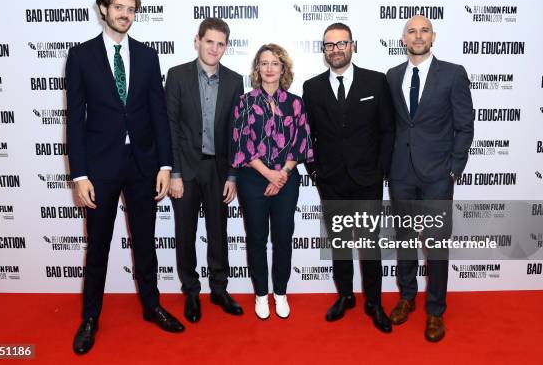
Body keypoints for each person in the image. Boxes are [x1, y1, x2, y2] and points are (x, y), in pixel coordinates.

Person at [66, 0, 184, 355]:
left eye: (131, 9)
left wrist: (165, 164)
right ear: (103, 9)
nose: (125, 14)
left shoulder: (148, 57)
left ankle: (151, 306)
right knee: (98, 245)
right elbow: (75, 119)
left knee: (146, 240)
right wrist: (79, 174)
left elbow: (159, 116)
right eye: (118, 7)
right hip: (100, 168)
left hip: (143, 164)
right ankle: (90, 317)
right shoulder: (81, 56)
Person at [386, 15, 473, 342]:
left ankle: (435, 310)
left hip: (438, 174)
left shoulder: (452, 73)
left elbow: (465, 124)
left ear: (432, 36)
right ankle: (407, 297)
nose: (418, 36)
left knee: (435, 246)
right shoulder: (393, 76)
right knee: (405, 239)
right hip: (401, 173)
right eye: (412, 31)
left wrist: (454, 167)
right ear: (404, 38)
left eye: (424, 31)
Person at [302, 23, 394, 333]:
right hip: (331, 182)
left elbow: (387, 130)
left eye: (342, 43)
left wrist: (381, 170)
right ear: (323, 50)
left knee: (370, 246)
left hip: (367, 179)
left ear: (352, 46)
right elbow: (307, 135)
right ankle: (344, 296)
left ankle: (374, 302)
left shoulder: (376, 81)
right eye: (330, 45)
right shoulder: (312, 88)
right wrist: (315, 173)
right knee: (339, 244)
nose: (336, 49)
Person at [165, 18, 244, 323]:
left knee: (218, 233)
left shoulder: (235, 81)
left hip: (219, 170)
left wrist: (233, 175)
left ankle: (219, 289)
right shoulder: (177, 76)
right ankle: (191, 291)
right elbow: (170, 126)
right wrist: (172, 173)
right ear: (196, 40)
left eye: (220, 43)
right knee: (185, 234)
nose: (214, 48)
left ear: (226, 46)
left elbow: (237, 132)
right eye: (209, 41)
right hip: (184, 170)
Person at [231, 44, 313, 319]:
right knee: (256, 238)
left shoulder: (296, 102)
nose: (268, 68)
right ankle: (261, 295)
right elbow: (242, 144)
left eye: (274, 63)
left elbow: (301, 143)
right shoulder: (245, 101)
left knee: (282, 238)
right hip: (253, 180)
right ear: (257, 68)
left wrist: (282, 175)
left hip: (286, 180)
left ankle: (280, 292)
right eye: (263, 63)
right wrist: (269, 175)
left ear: (283, 69)